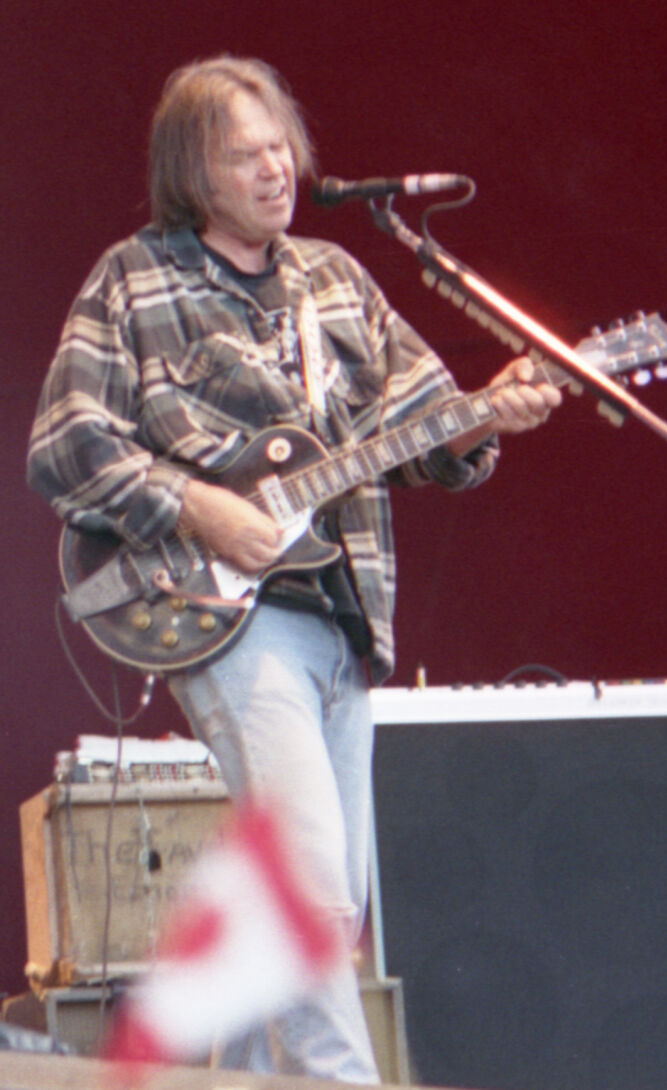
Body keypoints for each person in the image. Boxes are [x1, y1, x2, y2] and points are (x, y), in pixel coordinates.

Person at [27, 55, 562, 1083]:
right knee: (311, 891)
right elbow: (65, 445)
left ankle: (219, 1075)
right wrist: (202, 508)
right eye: (248, 154)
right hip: (223, 609)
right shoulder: (133, 279)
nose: (278, 169)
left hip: (344, 611)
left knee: (323, 904)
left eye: (283, 148)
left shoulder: (335, 281)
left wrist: (487, 413)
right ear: (194, 171)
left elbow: (424, 430)